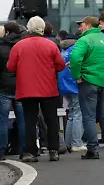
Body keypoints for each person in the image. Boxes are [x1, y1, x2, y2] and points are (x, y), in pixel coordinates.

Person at [6, 16, 66, 162]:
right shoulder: (51, 45)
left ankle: (31, 152)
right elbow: (60, 65)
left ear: (28, 28)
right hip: (48, 88)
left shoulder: (19, 46)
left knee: (29, 121)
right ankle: (53, 150)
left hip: (27, 89)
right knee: (51, 120)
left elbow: (10, 67)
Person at [70, 16, 104, 159]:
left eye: (82, 25)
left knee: (89, 116)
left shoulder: (84, 40)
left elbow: (75, 57)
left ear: (89, 25)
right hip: (103, 80)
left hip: (88, 80)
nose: (80, 28)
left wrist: (76, 74)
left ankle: (93, 149)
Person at [0, 22, 26, 162]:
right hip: (21, 88)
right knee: (22, 121)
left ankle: (0, 152)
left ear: (7, 32)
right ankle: (24, 151)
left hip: (3, 88)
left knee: (2, 120)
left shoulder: (1, 48)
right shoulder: (22, 46)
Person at [59, 40, 85, 152]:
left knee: (71, 115)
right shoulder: (75, 50)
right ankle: (77, 143)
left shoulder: (63, 51)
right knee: (78, 114)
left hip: (64, 85)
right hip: (74, 84)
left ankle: (68, 142)